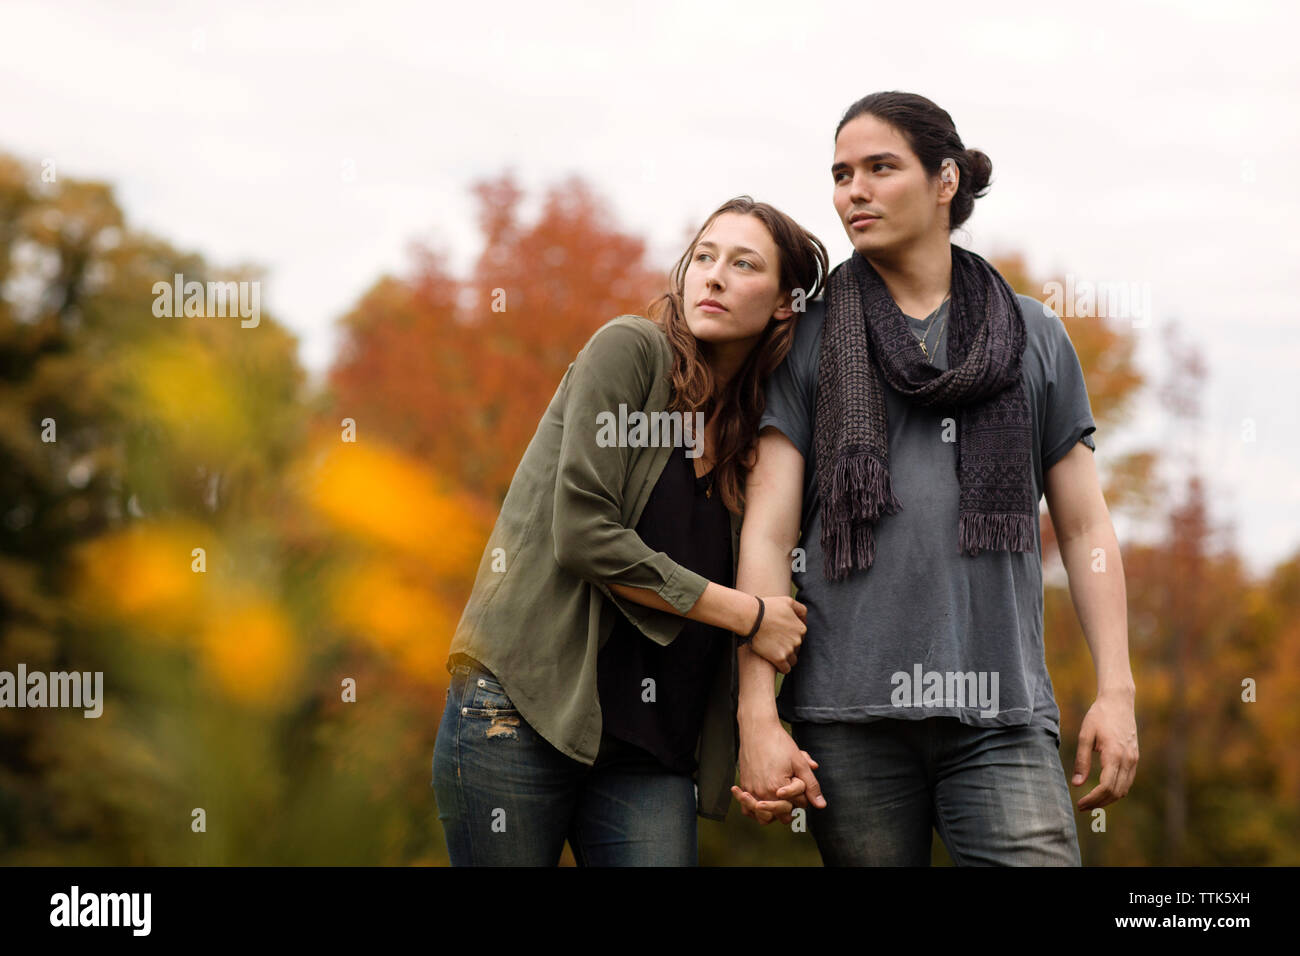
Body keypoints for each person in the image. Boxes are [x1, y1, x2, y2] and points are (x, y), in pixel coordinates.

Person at [731, 91, 1139, 865]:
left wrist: (1116, 690)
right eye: (842, 172)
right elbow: (769, 532)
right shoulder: (805, 336)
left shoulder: (1030, 333)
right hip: (847, 724)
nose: (854, 190)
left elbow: (1086, 528)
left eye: (881, 168)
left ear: (944, 180)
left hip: (1003, 719)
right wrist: (758, 712)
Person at [432, 196, 828, 865]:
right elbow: (584, 532)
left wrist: (761, 734)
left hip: (651, 752)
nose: (714, 276)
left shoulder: (753, 438)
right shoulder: (632, 353)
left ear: (786, 303)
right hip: (522, 710)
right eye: (703, 256)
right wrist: (749, 613)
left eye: (743, 264)